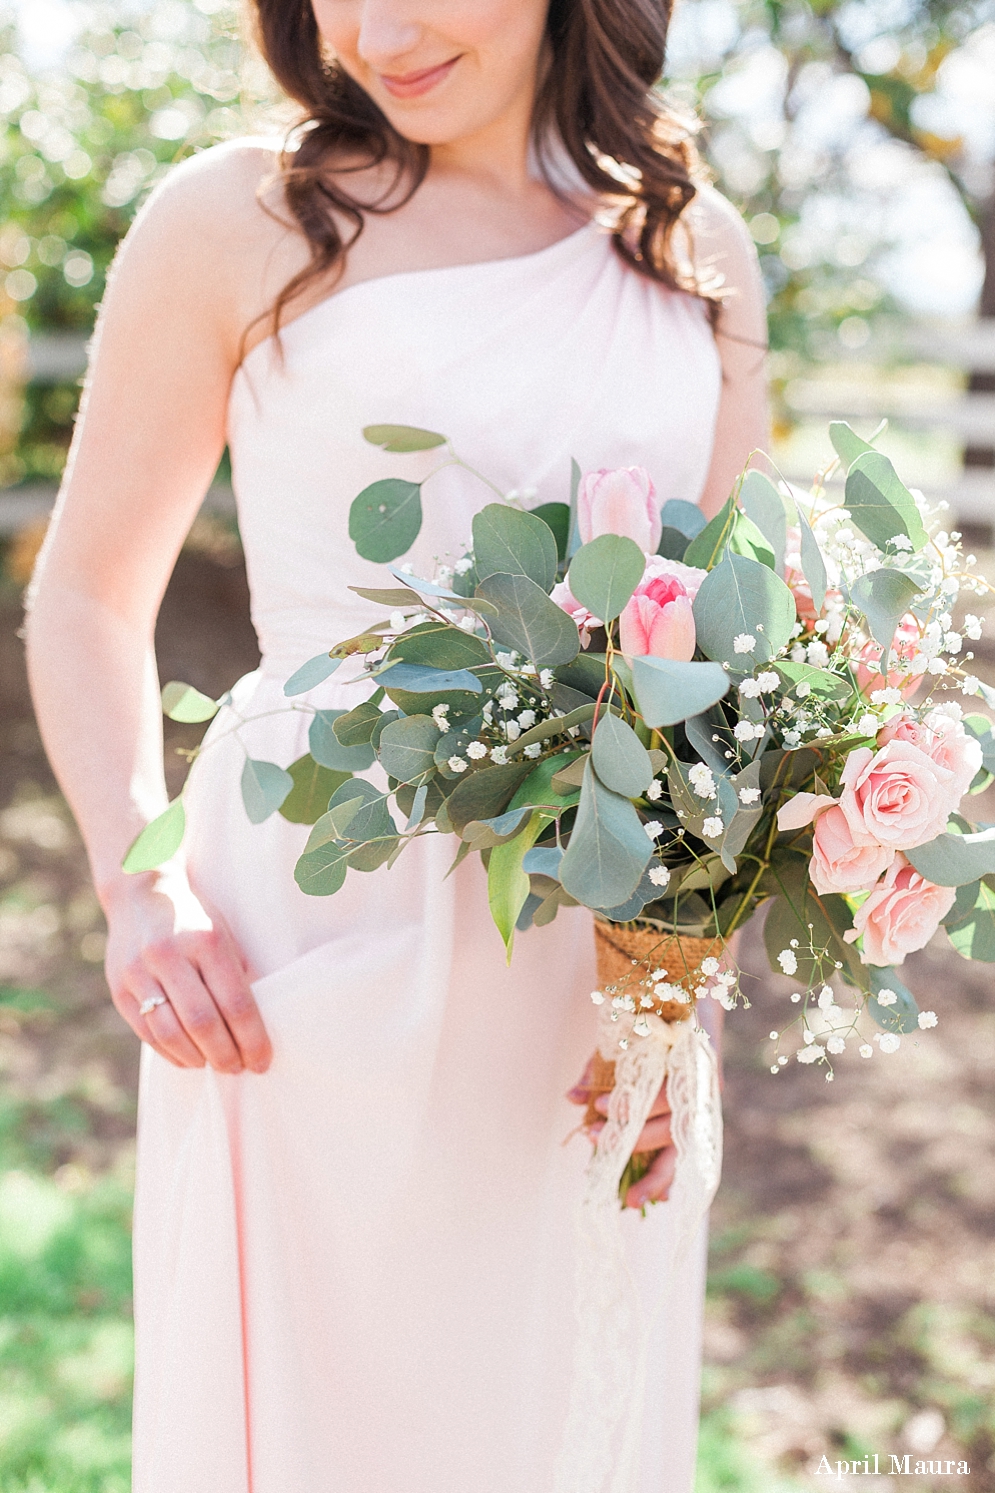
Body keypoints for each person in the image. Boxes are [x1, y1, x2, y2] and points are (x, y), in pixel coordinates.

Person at [26, 0, 767, 1488]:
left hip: (591, 970)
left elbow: (724, 651)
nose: (373, 29)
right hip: (310, 934)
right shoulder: (240, 218)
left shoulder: (696, 246)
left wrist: (677, 997)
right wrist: (137, 881)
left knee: (563, 1414)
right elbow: (90, 591)